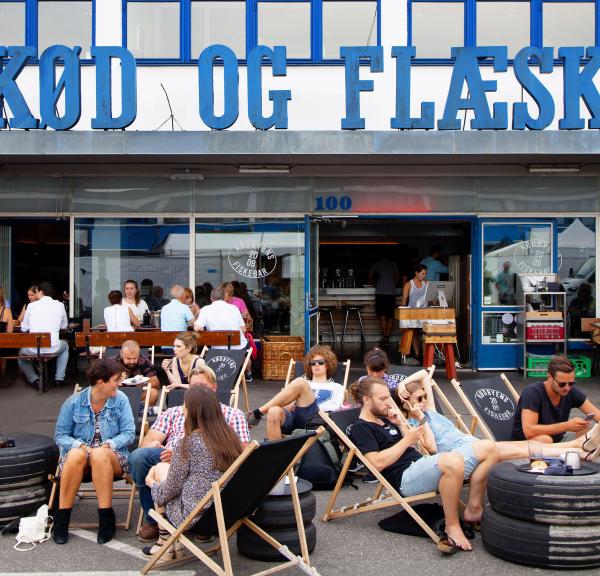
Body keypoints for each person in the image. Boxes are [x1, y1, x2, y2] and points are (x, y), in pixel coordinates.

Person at [349, 377, 498, 553]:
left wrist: (401, 426)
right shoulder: (361, 428)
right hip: (406, 478)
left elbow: (412, 446)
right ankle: (452, 526)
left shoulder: (386, 420)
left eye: (388, 397)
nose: (389, 402)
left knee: (488, 448)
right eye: (383, 399)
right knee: (452, 461)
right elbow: (376, 463)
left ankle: (473, 508)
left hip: (420, 465)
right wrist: (407, 440)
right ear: (366, 400)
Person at [130, 364, 249, 542]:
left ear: (214, 388)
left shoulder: (232, 415)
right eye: (193, 387)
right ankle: (152, 520)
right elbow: (147, 443)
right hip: (173, 459)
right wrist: (157, 447)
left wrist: (180, 458)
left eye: (202, 387)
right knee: (140, 456)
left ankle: (166, 532)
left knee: (161, 473)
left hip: (205, 470)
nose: (196, 392)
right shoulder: (173, 413)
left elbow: (243, 454)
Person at [142, 385, 243, 560]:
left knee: (158, 471)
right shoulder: (230, 438)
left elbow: (168, 491)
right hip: (227, 512)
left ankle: (165, 544)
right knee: (164, 471)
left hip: (195, 516)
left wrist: (151, 483)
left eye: (185, 405)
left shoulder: (188, 443)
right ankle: (170, 546)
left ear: (191, 411)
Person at [399, 376, 598, 464]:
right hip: (458, 456)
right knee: (524, 449)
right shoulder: (414, 425)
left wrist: (403, 383)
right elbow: (432, 449)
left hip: (473, 444)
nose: (424, 401)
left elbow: (425, 375)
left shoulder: (431, 411)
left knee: (524, 448)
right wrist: (419, 417)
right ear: (407, 403)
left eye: (425, 396)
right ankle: (577, 447)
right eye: (419, 399)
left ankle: (579, 448)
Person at [53, 358, 135, 545]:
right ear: (101, 382)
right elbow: (61, 435)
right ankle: (62, 518)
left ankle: (106, 517)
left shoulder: (121, 400)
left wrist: (109, 445)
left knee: (99, 453)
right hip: (80, 458)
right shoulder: (74, 402)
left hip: (112, 457)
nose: (120, 384)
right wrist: (81, 446)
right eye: (116, 380)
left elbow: (129, 433)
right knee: (75, 453)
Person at [246, 345, 345, 440]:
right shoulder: (304, 383)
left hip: (317, 419)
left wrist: (306, 405)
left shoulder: (337, 387)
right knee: (273, 411)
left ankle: (258, 413)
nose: (317, 365)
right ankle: (277, 455)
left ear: (327, 365)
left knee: (300, 382)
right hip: (295, 416)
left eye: (321, 362)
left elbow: (335, 409)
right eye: (313, 363)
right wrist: (287, 407)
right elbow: (284, 404)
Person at [511, 355, 600, 443]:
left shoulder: (571, 391)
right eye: (562, 384)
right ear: (549, 377)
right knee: (545, 439)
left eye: (571, 383)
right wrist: (566, 426)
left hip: (557, 440)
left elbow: (597, 415)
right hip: (527, 442)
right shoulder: (532, 392)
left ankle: (570, 454)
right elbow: (529, 431)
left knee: (587, 431)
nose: (567, 388)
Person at [18, 280, 69, 388]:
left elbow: (24, 328)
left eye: (36, 292)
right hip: (53, 347)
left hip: (34, 349)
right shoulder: (60, 305)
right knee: (65, 347)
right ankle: (59, 378)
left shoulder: (31, 306)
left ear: (40, 292)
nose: (36, 294)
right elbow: (64, 326)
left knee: (21, 355)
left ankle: (34, 380)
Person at [194, 286, 248, 351]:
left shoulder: (206, 309)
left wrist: (201, 327)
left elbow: (197, 328)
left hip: (218, 350)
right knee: (247, 359)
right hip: (239, 348)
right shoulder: (234, 308)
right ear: (224, 297)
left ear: (211, 298)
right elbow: (244, 330)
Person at [362, 348, 431, 395]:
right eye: (372, 370)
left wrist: (402, 384)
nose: (374, 375)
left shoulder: (392, 384)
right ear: (366, 367)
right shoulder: (362, 380)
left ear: (385, 368)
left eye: (378, 371)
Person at [116, 340, 160, 407]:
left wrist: (144, 382)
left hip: (138, 394)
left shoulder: (144, 361)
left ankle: (142, 412)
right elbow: (103, 383)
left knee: (153, 392)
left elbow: (156, 382)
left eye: (135, 358)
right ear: (121, 353)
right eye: (128, 358)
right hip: (118, 395)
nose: (132, 361)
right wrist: (117, 380)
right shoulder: (113, 362)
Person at [368, 257, 400, 347]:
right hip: (391, 294)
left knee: (382, 316)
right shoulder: (393, 264)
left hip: (380, 293)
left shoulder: (376, 264)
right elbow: (397, 276)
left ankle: (384, 337)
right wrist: (393, 285)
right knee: (390, 317)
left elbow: (370, 277)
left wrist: (376, 285)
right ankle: (387, 337)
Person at [401, 264, 429, 360]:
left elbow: (432, 298)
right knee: (414, 333)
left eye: (425, 274)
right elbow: (404, 300)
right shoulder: (408, 284)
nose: (424, 276)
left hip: (425, 313)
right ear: (416, 273)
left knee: (426, 333)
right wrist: (404, 314)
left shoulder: (427, 284)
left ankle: (425, 355)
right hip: (412, 313)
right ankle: (417, 354)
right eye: (422, 273)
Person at [0, 286, 14, 377]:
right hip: (1, 347)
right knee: (4, 345)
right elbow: (10, 331)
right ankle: (2, 375)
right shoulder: (6, 311)